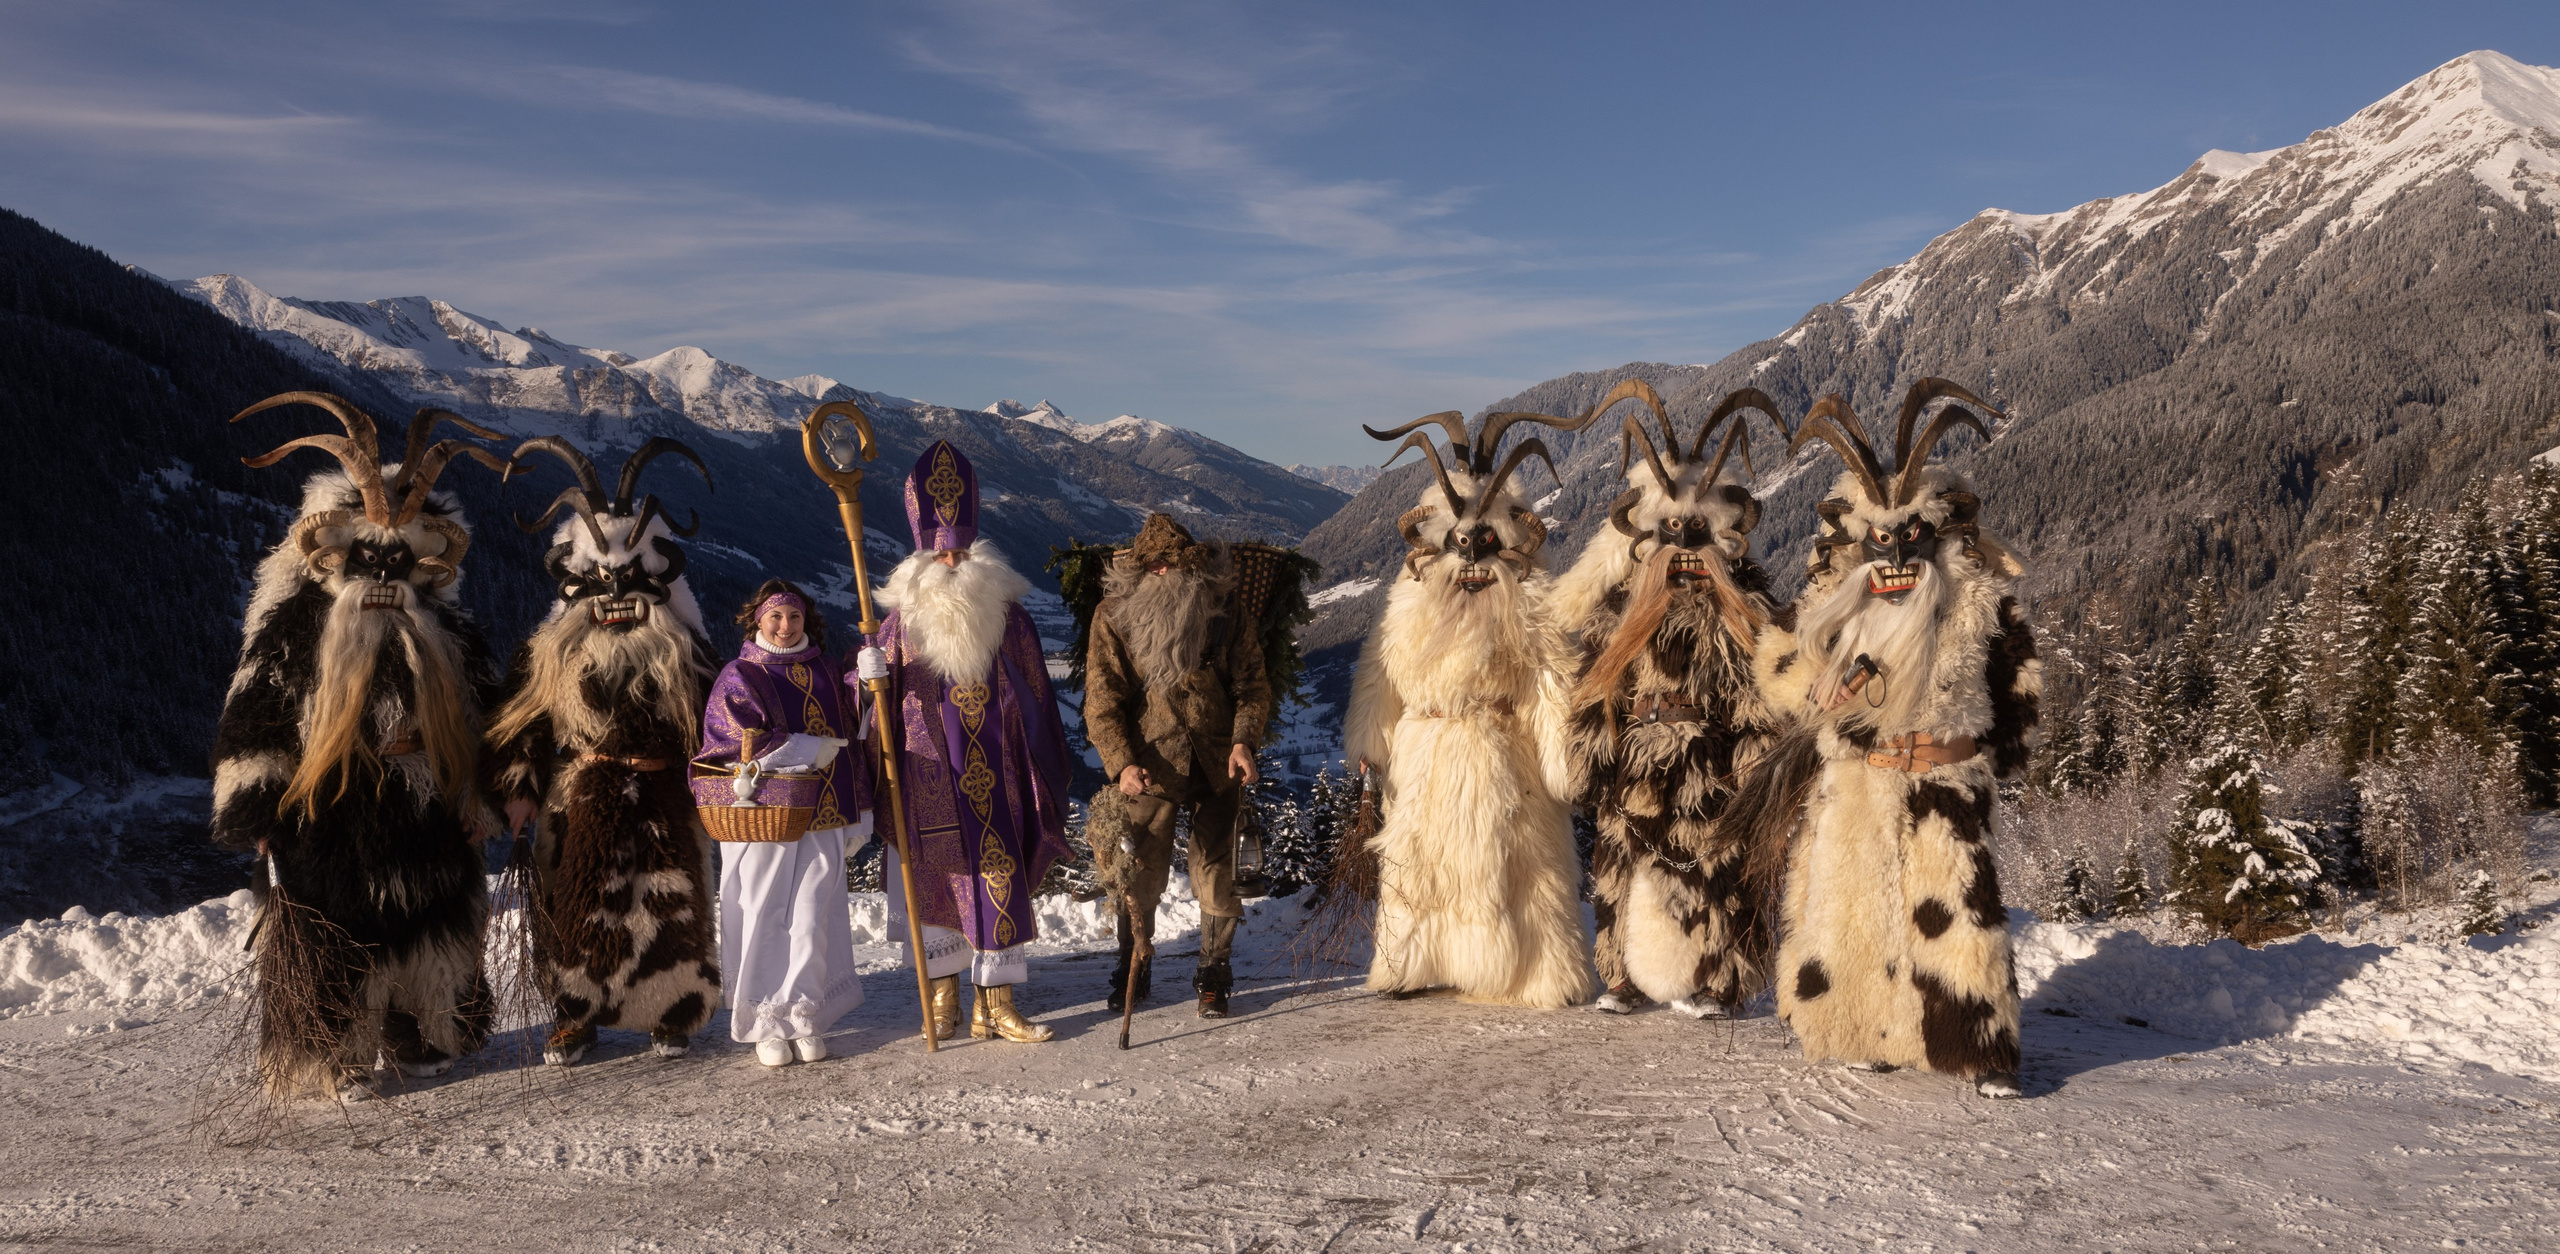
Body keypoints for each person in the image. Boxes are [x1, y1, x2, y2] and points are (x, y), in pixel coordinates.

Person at [1749, 379, 2041, 1099]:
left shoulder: (1977, 601)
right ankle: (1861, 1030)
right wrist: (1818, 685)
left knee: (1958, 913)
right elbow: (1778, 670)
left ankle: (1977, 1046)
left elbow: (2017, 686)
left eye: (1914, 537)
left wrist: (1996, 762)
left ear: (1938, 533)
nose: (1899, 554)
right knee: (1855, 915)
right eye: (1882, 540)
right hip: (1858, 783)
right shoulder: (1829, 605)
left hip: (1945, 781)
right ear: (1860, 540)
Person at [212, 392, 506, 1098]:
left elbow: (488, 721)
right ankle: (335, 1053)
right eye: (367, 559)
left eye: (397, 561)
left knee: (429, 923)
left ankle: (419, 1030)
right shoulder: (294, 630)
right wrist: (257, 808)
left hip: (425, 808)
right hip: (328, 808)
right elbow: (255, 718)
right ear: (334, 555)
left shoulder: (450, 635)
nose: (381, 576)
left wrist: (487, 797)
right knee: (333, 930)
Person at [1341, 408, 1595, 1009]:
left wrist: (1561, 758)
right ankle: (1414, 961)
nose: (1473, 562)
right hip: (1425, 752)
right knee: (1420, 859)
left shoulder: (1530, 596)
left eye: (1486, 544)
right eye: (1461, 543)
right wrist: (1371, 739)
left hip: (1504, 752)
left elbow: (1551, 677)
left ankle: (1535, 971)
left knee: (1520, 863)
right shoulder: (1412, 596)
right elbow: (1381, 670)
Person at [1550, 382, 1787, 1018]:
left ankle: (1719, 978)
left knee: (1716, 865)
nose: (1683, 548)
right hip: (1635, 757)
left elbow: (1756, 698)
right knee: (1621, 862)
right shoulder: (1621, 609)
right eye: (1670, 532)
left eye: (1697, 532)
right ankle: (1623, 973)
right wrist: (1590, 759)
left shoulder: (1744, 608)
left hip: (1707, 760)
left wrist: (1754, 769)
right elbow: (1596, 690)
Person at [485, 436, 723, 1065]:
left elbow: (723, 721)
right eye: (599, 581)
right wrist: (519, 789)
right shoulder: (551, 652)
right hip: (581, 794)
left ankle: (672, 1010)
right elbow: (521, 723)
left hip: (665, 793)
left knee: (671, 902)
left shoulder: (687, 651)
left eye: (630, 578)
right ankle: (575, 1015)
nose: (615, 595)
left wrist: (725, 783)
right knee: (574, 904)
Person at [871, 440, 1074, 1043]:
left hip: (996, 774)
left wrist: (1039, 765)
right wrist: (867, 678)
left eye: (960, 552)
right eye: (941, 554)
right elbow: (874, 704)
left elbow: (1038, 698)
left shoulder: (1009, 619)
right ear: (921, 560)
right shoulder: (899, 624)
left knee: (997, 876)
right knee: (936, 879)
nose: (952, 563)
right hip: (927, 775)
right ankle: (943, 1001)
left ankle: (996, 1004)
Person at [1080, 513, 1274, 1017]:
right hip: (1149, 765)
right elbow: (1102, 698)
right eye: (1154, 564)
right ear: (1140, 568)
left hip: (1218, 761)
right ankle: (1134, 963)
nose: (1163, 571)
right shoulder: (1114, 615)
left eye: (1172, 563)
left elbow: (1252, 685)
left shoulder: (1223, 608)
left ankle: (1214, 973)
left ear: (1192, 565)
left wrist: (1243, 742)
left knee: (1218, 871)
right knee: (1139, 871)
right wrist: (1121, 763)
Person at [696, 580, 874, 1067]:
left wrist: (866, 684)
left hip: (824, 814)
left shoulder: (824, 670)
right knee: (765, 913)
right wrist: (806, 748)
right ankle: (765, 1022)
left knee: (813, 916)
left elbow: (855, 731)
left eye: (794, 616)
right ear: (758, 619)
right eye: (775, 616)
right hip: (765, 817)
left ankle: (804, 1012)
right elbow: (731, 743)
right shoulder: (740, 675)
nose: (786, 626)